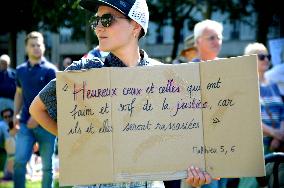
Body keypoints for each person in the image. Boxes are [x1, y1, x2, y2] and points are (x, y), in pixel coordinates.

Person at [29, 0, 214, 188]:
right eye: (96, 21)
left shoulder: (164, 76)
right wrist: (77, 139)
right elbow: (38, 108)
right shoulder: (85, 70)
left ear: (135, 25)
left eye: (107, 19)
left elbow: (182, 137)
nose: (98, 27)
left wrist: (193, 173)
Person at [13, 31, 58, 188]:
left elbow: (55, 100)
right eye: (32, 45)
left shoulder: (51, 71)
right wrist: (15, 114)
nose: (36, 48)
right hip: (26, 124)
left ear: (44, 47)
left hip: (47, 126)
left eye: (39, 45)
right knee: (19, 162)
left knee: (47, 167)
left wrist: (37, 117)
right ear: (26, 48)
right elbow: (19, 94)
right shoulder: (20, 70)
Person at [238, 42, 284, 188]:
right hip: (255, 148)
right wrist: (275, 133)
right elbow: (246, 117)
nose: (266, 60)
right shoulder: (244, 85)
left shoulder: (273, 84)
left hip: (277, 146)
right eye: (261, 56)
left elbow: (282, 111)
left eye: (268, 56)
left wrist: (280, 134)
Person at [0, 108, 17, 181]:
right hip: (11, 151)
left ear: (12, 115)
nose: (7, 118)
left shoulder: (18, 122)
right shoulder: (2, 125)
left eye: (9, 116)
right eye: (5, 117)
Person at [0, 54, 16, 121]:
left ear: (8, 63)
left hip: (11, 101)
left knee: (11, 120)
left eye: (5, 63)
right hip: (0, 100)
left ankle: (11, 130)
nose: (3, 64)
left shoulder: (14, 73)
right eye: (2, 63)